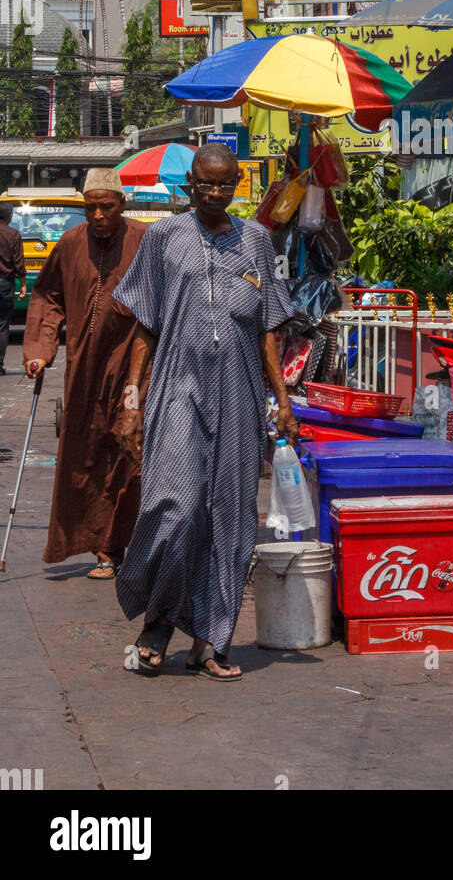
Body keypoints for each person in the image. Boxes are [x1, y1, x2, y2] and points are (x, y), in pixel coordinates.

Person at [114, 142, 298, 681]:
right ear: (189, 186)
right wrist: (132, 396)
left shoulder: (258, 242)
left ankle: (210, 641)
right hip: (177, 386)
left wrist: (283, 399)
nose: (215, 193)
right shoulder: (163, 238)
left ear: (237, 185)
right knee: (176, 506)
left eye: (225, 184)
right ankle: (157, 622)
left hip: (239, 393)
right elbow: (144, 324)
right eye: (205, 184)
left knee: (231, 518)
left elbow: (269, 329)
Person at [22, 169, 149, 578]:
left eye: (105, 207)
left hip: (134, 365)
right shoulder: (72, 242)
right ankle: (98, 544)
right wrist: (40, 351)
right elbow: (47, 296)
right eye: (90, 207)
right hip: (83, 367)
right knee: (86, 451)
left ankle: (118, 546)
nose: (97, 215)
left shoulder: (145, 240)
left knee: (131, 451)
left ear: (121, 205)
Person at [0, 202, 27, 375]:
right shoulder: (13, 234)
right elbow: (18, 263)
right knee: (2, 325)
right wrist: (23, 283)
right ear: (9, 216)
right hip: (4, 284)